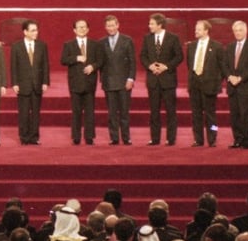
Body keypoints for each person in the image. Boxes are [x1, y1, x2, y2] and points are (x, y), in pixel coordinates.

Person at [140, 12, 183, 145]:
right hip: (153, 80)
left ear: (160, 25)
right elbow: (143, 56)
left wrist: (166, 67)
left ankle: (171, 139)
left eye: (152, 23)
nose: (149, 26)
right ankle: (155, 138)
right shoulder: (147, 38)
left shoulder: (173, 38)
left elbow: (179, 56)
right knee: (154, 112)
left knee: (171, 111)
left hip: (168, 80)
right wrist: (150, 66)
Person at [61, 19, 103, 145]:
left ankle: (89, 137)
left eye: (84, 27)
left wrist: (93, 67)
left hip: (90, 82)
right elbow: (63, 60)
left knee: (90, 111)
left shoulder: (95, 44)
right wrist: (76, 58)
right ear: (74, 30)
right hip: (75, 82)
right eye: (79, 27)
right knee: (76, 111)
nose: (82, 29)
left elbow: (100, 60)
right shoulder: (69, 44)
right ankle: (76, 136)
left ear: (88, 29)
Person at [10, 20, 49, 145]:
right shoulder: (16, 46)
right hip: (23, 85)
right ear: (25, 32)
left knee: (36, 113)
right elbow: (14, 66)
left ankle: (34, 137)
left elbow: (45, 65)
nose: (35, 33)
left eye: (36, 30)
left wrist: (45, 82)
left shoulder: (42, 45)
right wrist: (15, 83)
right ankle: (24, 137)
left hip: (37, 84)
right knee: (24, 113)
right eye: (32, 30)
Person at [186, 20, 223, 147]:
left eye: (199, 29)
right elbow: (189, 65)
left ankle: (213, 138)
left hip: (210, 86)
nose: (196, 31)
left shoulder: (217, 46)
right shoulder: (191, 46)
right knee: (196, 115)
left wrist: (217, 84)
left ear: (206, 31)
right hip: (194, 85)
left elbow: (221, 67)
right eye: (196, 29)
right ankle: (198, 139)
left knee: (211, 115)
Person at [99, 15, 135, 145]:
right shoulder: (101, 42)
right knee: (112, 113)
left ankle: (126, 137)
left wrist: (131, 78)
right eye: (108, 26)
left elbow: (132, 61)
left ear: (118, 25)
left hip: (124, 82)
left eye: (113, 25)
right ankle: (114, 138)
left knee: (124, 112)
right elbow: (99, 62)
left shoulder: (127, 40)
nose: (111, 28)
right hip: (108, 82)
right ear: (105, 27)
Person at [225, 20, 248, 149]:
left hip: (246, 86)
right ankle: (237, 139)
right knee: (235, 115)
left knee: (247, 115)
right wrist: (229, 76)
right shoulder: (229, 46)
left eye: (240, 30)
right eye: (235, 31)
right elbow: (225, 65)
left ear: (245, 31)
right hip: (232, 87)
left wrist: (240, 78)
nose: (238, 33)